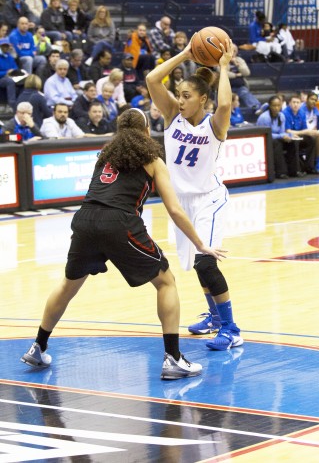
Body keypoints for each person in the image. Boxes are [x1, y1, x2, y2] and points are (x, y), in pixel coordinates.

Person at [21, 107, 226, 379]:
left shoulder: (104, 158)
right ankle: (173, 359)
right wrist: (201, 244)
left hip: (85, 219)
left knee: (67, 286)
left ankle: (38, 347)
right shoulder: (153, 159)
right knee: (166, 282)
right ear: (145, 132)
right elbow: (175, 210)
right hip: (119, 223)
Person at [146, 34, 243, 350]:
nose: (180, 99)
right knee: (196, 265)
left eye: (186, 95)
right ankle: (215, 317)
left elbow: (225, 102)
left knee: (206, 262)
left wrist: (224, 66)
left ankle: (231, 328)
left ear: (202, 99)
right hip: (180, 203)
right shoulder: (173, 117)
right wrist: (186, 53)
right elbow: (151, 78)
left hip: (208, 200)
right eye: (179, 94)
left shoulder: (214, 125)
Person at [256, 95, 304, 178]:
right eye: (274, 106)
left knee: (292, 142)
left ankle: (295, 171)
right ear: (270, 106)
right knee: (277, 143)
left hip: (277, 138)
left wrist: (290, 136)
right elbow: (265, 134)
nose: (276, 108)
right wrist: (282, 136)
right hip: (264, 141)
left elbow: (282, 132)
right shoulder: (264, 117)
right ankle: (281, 172)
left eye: (278, 105)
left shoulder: (281, 116)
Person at [219, 43, 261, 110]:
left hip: (240, 86)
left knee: (244, 92)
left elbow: (247, 73)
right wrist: (236, 75)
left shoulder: (239, 60)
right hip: (226, 87)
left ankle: (257, 108)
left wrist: (237, 65)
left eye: (234, 51)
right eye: (230, 50)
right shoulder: (221, 60)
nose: (232, 53)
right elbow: (222, 73)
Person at [282, 94, 317, 174]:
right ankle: (296, 170)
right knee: (295, 142)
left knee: (311, 139)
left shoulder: (301, 113)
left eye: (298, 102)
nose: (296, 104)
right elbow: (287, 131)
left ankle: (310, 167)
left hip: (299, 137)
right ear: (289, 103)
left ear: (300, 104)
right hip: (288, 138)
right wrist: (304, 132)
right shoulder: (285, 113)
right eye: (294, 102)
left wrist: (310, 132)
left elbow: (304, 129)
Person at [299, 92, 319, 172]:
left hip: (312, 133)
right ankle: (317, 162)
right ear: (307, 99)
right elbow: (303, 127)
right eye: (312, 99)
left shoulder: (314, 109)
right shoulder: (301, 110)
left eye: (315, 100)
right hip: (303, 133)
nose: (314, 101)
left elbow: (318, 119)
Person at [0, 36, 18, 111]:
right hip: (1, 78)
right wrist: (6, 73)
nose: (5, 47)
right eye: (4, 45)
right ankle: (12, 105)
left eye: (7, 45)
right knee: (10, 81)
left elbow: (15, 67)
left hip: (11, 76)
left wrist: (13, 71)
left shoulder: (9, 56)